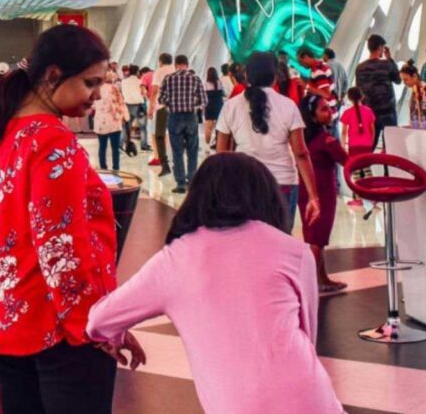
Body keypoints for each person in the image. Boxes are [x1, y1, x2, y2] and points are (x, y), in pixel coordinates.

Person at [0, 25, 144, 414]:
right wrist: (97, 327)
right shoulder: (51, 140)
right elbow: (61, 250)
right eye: (90, 83)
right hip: (61, 331)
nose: (97, 94)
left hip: (7, 325)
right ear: (52, 76)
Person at [87, 153, 344, 414]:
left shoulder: (176, 258)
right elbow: (308, 336)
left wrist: (116, 335)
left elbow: (99, 320)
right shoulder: (294, 252)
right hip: (311, 400)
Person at [216, 51, 320, 229]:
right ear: (275, 76)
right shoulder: (288, 106)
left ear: (247, 75)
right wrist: (313, 196)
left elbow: (221, 153)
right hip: (282, 183)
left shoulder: (230, 106)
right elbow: (301, 153)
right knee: (280, 239)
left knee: (247, 239)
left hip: (245, 183)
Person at [299, 95, 348, 294]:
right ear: (312, 116)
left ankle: (321, 278)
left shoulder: (301, 139)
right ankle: (309, 284)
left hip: (304, 188)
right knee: (318, 238)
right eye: (324, 109)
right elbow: (346, 160)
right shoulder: (326, 140)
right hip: (322, 192)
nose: (330, 112)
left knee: (314, 236)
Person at [159, 55, 207, 194]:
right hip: (191, 117)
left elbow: (161, 99)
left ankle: (180, 184)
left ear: (175, 65)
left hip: (174, 117)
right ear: (187, 64)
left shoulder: (168, 78)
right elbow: (204, 101)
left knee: (177, 151)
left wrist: (170, 103)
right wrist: (195, 106)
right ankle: (192, 181)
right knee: (192, 150)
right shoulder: (195, 78)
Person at [355, 34, 400, 149]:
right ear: (380, 47)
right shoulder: (387, 65)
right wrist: (389, 58)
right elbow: (398, 80)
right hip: (387, 111)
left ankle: (365, 161)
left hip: (369, 111)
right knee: (391, 146)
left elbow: (358, 90)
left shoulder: (360, 68)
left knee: (369, 145)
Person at [94, 71, 128, 171]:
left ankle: (103, 167)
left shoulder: (96, 89)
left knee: (102, 146)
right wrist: (123, 117)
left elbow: (93, 105)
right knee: (115, 147)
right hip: (114, 121)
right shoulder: (114, 88)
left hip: (100, 121)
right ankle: (116, 168)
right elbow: (120, 104)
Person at [297, 46, 338, 124]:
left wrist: (306, 86)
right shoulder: (320, 66)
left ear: (306, 57)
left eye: (300, 61)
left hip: (326, 116)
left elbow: (326, 94)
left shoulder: (318, 70)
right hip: (328, 113)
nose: (300, 64)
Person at [148, 52, 175, 175]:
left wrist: (150, 107)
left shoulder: (159, 71)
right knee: (173, 134)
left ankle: (162, 162)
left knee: (159, 134)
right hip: (176, 107)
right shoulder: (175, 69)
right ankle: (175, 162)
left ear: (160, 61)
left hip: (162, 107)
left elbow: (154, 91)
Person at [340, 86, 375, 157]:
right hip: (367, 145)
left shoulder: (347, 112)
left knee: (355, 163)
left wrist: (343, 147)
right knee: (366, 163)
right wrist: (371, 143)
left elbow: (344, 132)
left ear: (349, 98)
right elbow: (372, 130)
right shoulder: (369, 111)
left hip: (353, 146)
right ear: (362, 96)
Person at [121, 64, 148, 151]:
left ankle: (121, 144)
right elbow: (144, 93)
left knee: (126, 127)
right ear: (137, 72)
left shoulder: (124, 81)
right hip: (139, 106)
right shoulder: (140, 81)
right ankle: (144, 145)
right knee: (143, 127)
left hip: (127, 105)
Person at [204, 66, 225, 149]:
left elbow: (204, 96)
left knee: (208, 127)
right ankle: (217, 143)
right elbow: (224, 94)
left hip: (209, 106)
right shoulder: (220, 83)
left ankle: (207, 145)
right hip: (219, 105)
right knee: (219, 126)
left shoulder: (205, 84)